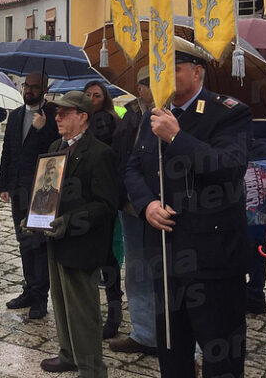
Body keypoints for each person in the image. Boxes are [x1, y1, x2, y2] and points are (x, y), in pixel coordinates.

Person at [124, 40, 252, 378]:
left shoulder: (228, 112)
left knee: (220, 351)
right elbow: (133, 168)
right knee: (172, 351)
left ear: (197, 72)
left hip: (213, 258)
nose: (162, 77)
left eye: (173, 69)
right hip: (165, 256)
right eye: (159, 70)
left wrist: (177, 137)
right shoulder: (155, 115)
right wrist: (147, 204)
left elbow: (229, 167)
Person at [39, 91, 118, 378]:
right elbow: (46, 189)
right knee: (60, 301)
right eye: (56, 113)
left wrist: (69, 221)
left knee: (83, 310)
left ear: (82, 117)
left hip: (82, 242)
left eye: (64, 113)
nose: (57, 117)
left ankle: (92, 368)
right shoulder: (55, 146)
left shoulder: (100, 153)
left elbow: (106, 205)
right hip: (56, 238)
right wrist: (37, 216)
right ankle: (68, 354)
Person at [0, 72, 59, 319]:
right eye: (26, 86)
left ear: (44, 89)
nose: (29, 91)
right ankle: (29, 289)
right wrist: (3, 184)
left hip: (43, 189)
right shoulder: (15, 116)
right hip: (18, 190)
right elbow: (8, 151)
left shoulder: (53, 117)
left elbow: (58, 149)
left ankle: (40, 298)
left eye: (34, 87)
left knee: (39, 245)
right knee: (24, 242)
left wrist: (44, 130)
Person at [108, 65, 158, 355]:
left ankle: (173, 336)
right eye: (148, 83)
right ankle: (143, 332)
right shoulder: (129, 114)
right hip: (131, 203)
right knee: (137, 269)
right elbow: (120, 154)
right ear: (140, 87)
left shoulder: (175, 113)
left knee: (166, 271)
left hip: (163, 204)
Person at [85, 79, 124, 340]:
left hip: (102, 195)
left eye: (96, 95)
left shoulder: (102, 120)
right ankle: (110, 313)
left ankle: (113, 315)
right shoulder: (95, 118)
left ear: (105, 99)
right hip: (97, 194)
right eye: (87, 95)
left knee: (106, 256)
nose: (91, 99)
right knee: (104, 256)